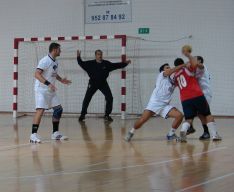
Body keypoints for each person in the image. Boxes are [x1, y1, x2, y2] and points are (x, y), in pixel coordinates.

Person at [125, 63, 186, 142]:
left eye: (169, 67)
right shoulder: (162, 75)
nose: (169, 68)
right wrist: (183, 65)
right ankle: (131, 132)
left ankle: (171, 134)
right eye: (167, 67)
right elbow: (172, 71)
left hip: (164, 106)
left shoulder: (173, 82)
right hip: (154, 103)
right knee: (143, 120)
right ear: (162, 70)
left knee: (179, 116)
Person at [174, 45, 221, 142]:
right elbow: (193, 65)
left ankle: (185, 132)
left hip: (188, 97)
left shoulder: (177, 75)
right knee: (206, 113)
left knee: (192, 117)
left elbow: (197, 66)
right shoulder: (189, 69)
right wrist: (188, 56)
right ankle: (213, 134)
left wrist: (188, 58)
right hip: (197, 94)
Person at [30, 42, 72, 143]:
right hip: (41, 89)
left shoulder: (55, 61)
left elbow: (54, 73)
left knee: (58, 110)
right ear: (54, 50)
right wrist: (48, 83)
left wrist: (61, 80)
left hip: (50, 90)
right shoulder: (45, 60)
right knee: (40, 111)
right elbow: (36, 74)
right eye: (59, 49)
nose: (60, 51)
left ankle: (55, 133)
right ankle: (33, 135)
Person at [77, 49, 131, 122]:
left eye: (101, 54)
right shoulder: (90, 64)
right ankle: (82, 115)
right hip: (93, 83)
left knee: (110, 97)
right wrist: (78, 57)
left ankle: (107, 115)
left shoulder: (106, 64)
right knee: (87, 98)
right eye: (98, 54)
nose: (100, 56)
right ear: (95, 55)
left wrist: (125, 63)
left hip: (103, 83)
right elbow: (81, 63)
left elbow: (116, 65)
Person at [187, 56, 212, 140]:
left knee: (204, 113)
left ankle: (208, 132)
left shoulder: (202, 66)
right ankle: (204, 131)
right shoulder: (197, 69)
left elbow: (200, 66)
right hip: (200, 94)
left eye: (194, 59)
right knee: (199, 113)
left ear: (199, 61)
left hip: (204, 93)